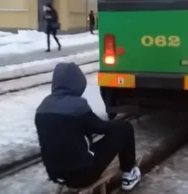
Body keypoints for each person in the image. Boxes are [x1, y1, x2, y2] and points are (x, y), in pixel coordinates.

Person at [34, 62, 141, 191]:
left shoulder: (42, 108)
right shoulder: (78, 106)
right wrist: (116, 123)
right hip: (83, 175)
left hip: (56, 175)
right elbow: (101, 128)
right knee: (124, 128)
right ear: (78, 83)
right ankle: (130, 174)